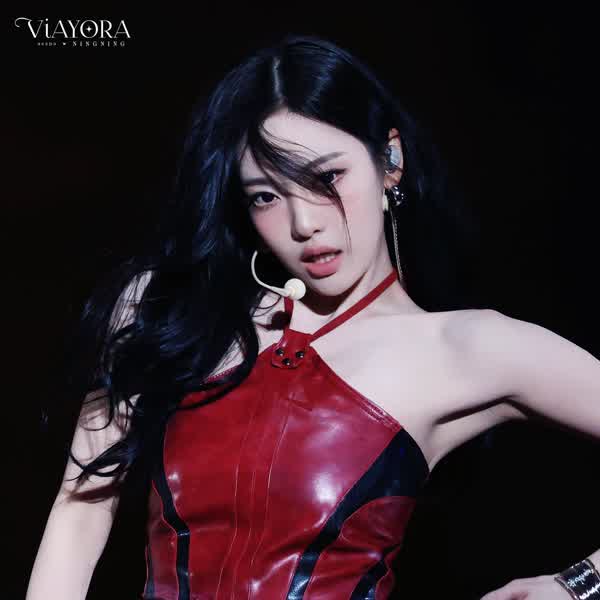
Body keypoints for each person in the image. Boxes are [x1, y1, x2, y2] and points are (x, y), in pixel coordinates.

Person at [26, 34, 600, 600]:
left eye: (327, 179)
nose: (304, 223)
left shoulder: (464, 348)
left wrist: (576, 585)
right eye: (266, 196)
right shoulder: (164, 307)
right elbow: (80, 511)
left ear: (390, 161)